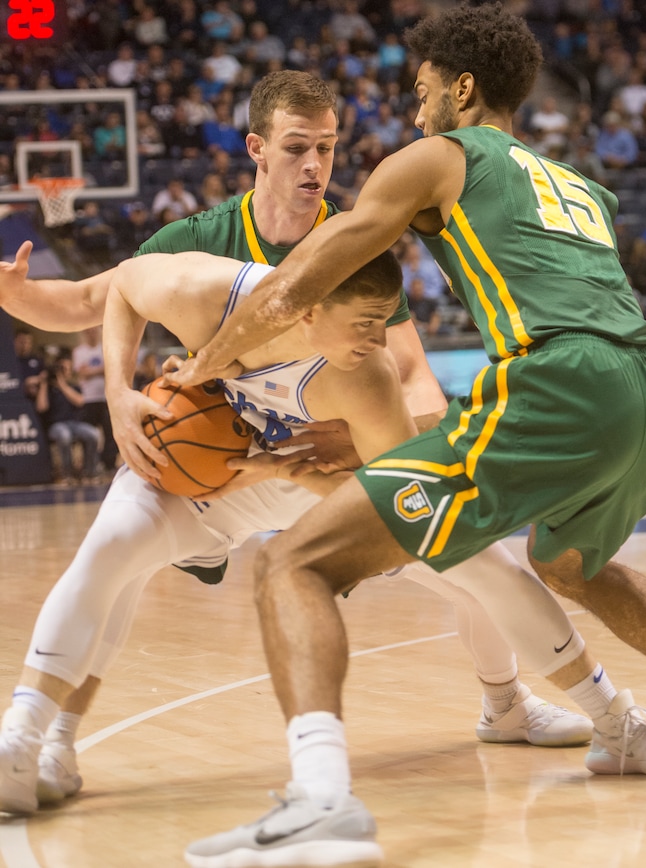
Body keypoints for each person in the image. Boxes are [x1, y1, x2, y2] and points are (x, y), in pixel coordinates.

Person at [168, 6, 646, 866]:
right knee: (571, 567)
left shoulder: (440, 156)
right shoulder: (579, 184)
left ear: (461, 88)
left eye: (421, 91)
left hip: (560, 381)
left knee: (294, 563)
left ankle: (320, 806)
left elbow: (305, 274)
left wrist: (204, 365)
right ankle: (620, 733)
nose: (414, 112)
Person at [0, 69, 588, 810]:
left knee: (469, 547)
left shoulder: (354, 243)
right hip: (219, 464)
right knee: (117, 555)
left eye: (328, 149)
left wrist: (371, 444)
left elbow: (414, 378)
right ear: (257, 149)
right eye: (297, 148)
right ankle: (51, 739)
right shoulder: (202, 236)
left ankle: (506, 705)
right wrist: (18, 299)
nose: (315, 166)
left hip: (320, 463)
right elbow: (95, 297)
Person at [35, 350, 101, 485]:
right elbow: (41, 407)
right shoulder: (47, 388)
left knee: (93, 434)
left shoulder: (73, 386)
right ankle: (67, 475)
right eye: (61, 368)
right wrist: (43, 383)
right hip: (56, 425)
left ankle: (90, 473)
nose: (63, 372)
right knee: (64, 435)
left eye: (66, 369)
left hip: (75, 424)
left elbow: (80, 401)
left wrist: (62, 385)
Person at [72, 326, 119, 476]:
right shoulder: (79, 352)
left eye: (94, 330)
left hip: (106, 398)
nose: (92, 333)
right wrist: (101, 369)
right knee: (88, 435)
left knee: (110, 434)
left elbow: (112, 368)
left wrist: (91, 371)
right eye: (89, 331)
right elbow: (81, 373)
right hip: (88, 399)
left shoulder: (105, 348)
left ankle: (109, 465)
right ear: (85, 333)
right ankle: (89, 465)